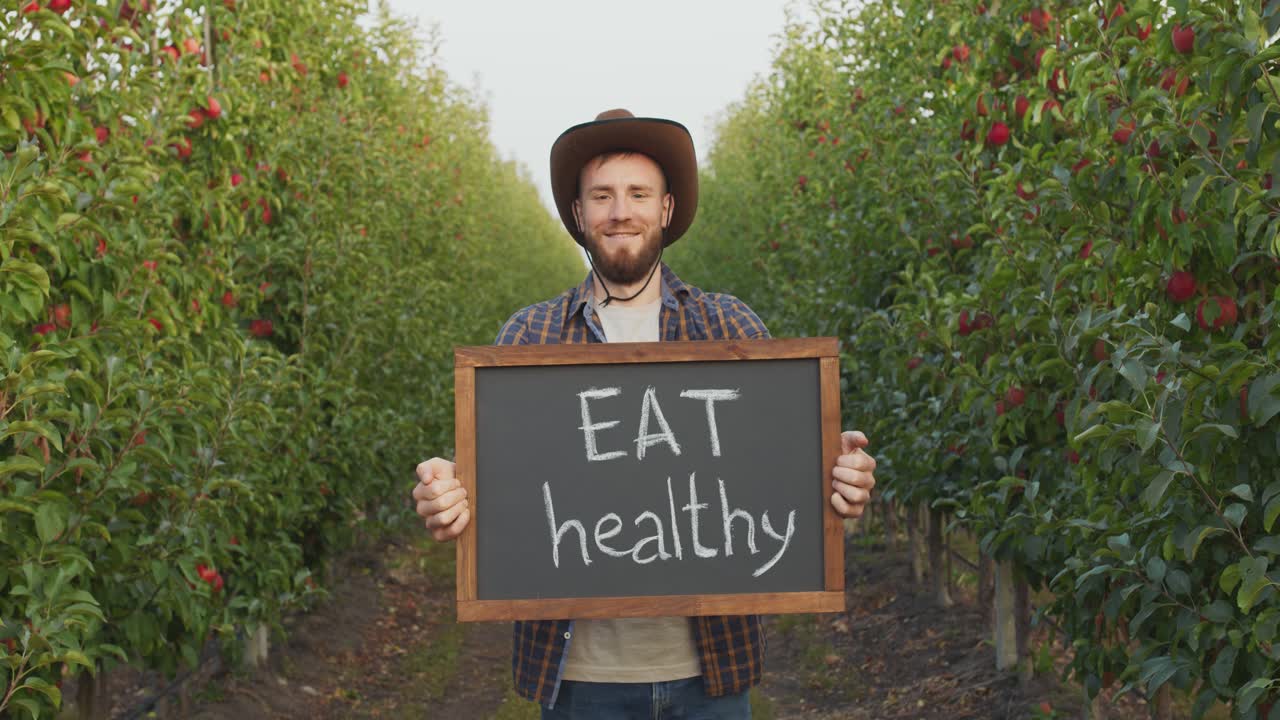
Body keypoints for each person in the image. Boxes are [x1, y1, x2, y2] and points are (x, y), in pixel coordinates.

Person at [412, 109, 877, 719]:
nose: (619, 212)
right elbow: (489, 484)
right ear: (579, 215)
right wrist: (448, 496)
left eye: (638, 194)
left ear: (666, 209)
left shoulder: (727, 326)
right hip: (579, 680)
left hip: (710, 676)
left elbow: (782, 480)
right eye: (601, 196)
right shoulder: (529, 336)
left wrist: (839, 483)